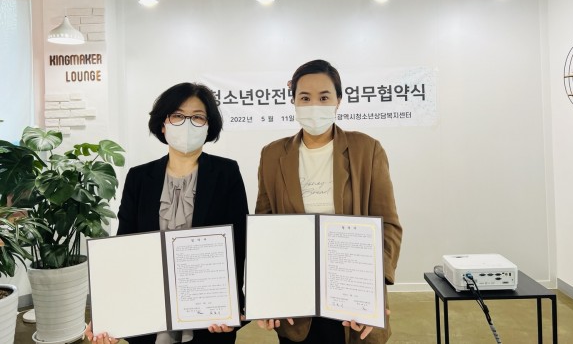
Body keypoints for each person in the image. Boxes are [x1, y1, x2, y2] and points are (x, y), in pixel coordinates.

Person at [86, 82, 249, 344]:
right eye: (177, 116)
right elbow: (124, 248)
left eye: (198, 117)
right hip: (148, 309)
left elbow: (239, 245)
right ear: (163, 124)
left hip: (209, 315)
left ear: (208, 126)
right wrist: (108, 312)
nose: (187, 124)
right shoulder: (139, 177)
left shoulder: (226, 172)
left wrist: (233, 307)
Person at [255, 60, 402, 344]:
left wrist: (372, 291)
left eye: (324, 97)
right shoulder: (272, 155)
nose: (314, 105)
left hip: (353, 296)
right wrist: (266, 294)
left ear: (338, 101)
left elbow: (389, 226)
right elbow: (265, 228)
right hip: (294, 298)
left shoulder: (366, 149)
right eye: (304, 98)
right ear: (293, 102)